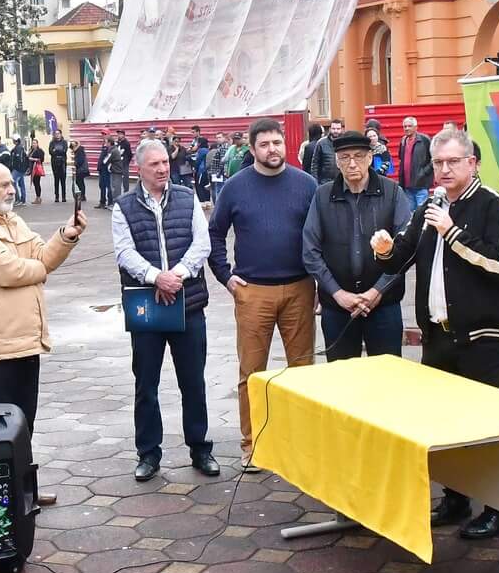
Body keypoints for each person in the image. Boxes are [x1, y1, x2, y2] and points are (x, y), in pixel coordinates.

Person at [373, 128, 499, 540]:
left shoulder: (495, 204)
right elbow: (398, 258)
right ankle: (455, 498)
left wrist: (452, 233)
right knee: (444, 424)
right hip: (437, 335)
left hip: (482, 337)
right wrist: (383, 247)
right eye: (438, 163)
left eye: (454, 161)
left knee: (487, 426)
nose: (444, 169)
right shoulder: (429, 207)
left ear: (472, 162)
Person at [0, 160, 87, 505]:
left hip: (26, 337)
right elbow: (8, 271)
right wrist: (41, 269)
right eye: (3, 185)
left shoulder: (12, 220)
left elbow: (41, 255)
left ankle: (24, 488)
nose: (12, 190)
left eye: (12, 183)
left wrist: (65, 236)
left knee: (23, 423)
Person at [210, 117, 320, 468]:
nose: (272, 149)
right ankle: (251, 445)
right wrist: (226, 277)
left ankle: (302, 444)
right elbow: (214, 235)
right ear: (252, 147)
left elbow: (321, 235)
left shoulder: (307, 185)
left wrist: (321, 282)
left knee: (302, 371)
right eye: (264, 144)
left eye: (277, 142)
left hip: (300, 289)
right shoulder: (235, 187)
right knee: (252, 374)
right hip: (253, 291)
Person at [112, 139, 219, 482]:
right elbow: (124, 252)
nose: (162, 169)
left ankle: (200, 448)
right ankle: (148, 453)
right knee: (146, 384)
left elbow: (202, 244)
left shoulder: (187, 199)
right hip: (147, 306)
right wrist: (156, 276)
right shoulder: (123, 206)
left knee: (193, 381)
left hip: (187, 303)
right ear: (139, 169)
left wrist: (178, 275)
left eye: (164, 163)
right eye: (154, 164)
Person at [304, 126, 409, 366]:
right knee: (342, 380)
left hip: (384, 305)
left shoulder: (392, 193)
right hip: (338, 308)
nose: (352, 164)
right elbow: (310, 251)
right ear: (337, 162)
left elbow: (405, 248)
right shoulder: (322, 196)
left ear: (370, 158)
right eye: (344, 158)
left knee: (388, 375)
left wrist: (376, 292)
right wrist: (338, 294)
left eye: (359, 156)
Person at [48, 131, 69, 204]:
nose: (57, 135)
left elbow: (64, 151)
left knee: (63, 180)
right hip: (54, 163)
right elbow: (50, 152)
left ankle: (64, 196)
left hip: (62, 162)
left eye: (58, 133)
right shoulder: (52, 142)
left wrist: (56, 150)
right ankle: (56, 196)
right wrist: (58, 150)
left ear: (61, 134)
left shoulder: (64, 142)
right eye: (56, 134)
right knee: (56, 180)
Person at [28, 137, 46, 203]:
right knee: (35, 183)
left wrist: (32, 159)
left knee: (37, 183)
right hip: (32, 169)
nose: (33, 144)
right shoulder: (31, 150)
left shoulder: (39, 151)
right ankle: (37, 197)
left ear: (37, 144)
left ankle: (38, 197)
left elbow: (41, 159)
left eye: (35, 143)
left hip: (36, 168)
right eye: (32, 143)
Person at [71, 141, 89, 207]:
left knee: (79, 181)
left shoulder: (79, 151)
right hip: (81, 169)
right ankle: (82, 195)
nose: (72, 149)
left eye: (73, 146)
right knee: (80, 181)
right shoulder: (78, 151)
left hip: (82, 169)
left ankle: (82, 195)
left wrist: (76, 164)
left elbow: (80, 160)